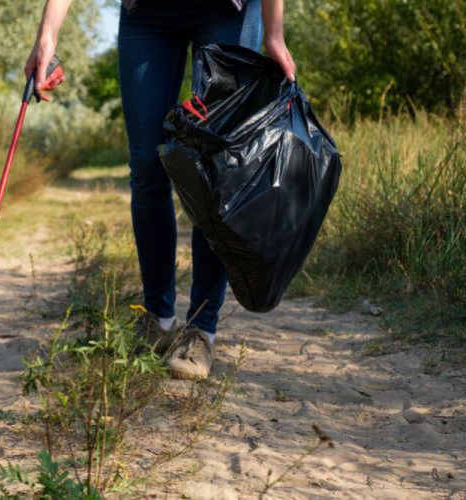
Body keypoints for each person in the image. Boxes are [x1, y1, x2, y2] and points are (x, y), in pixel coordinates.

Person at [25, 0, 296, 380]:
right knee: (148, 165)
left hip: (228, 12)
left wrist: (273, 31)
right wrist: (47, 36)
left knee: (216, 171)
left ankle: (202, 329)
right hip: (147, 15)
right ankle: (158, 319)